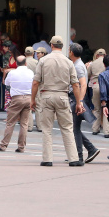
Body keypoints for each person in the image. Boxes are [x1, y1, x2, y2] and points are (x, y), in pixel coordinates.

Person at [30, 36, 82, 167]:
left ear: (51, 45)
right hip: (63, 96)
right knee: (67, 128)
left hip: (46, 96)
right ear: (63, 47)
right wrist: (79, 102)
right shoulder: (68, 62)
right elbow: (75, 85)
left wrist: (32, 100)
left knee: (47, 129)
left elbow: (36, 82)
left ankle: (47, 159)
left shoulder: (43, 61)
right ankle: (73, 158)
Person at [68, 43, 99, 163]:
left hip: (77, 98)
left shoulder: (78, 66)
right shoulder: (77, 64)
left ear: (71, 52)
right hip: (77, 98)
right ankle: (90, 149)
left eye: (69, 50)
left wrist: (79, 101)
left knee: (74, 128)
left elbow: (83, 84)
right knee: (74, 128)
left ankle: (79, 155)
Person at [0, 55, 33, 152]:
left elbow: (6, 84)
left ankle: (3, 145)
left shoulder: (12, 73)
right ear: (26, 63)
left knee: (10, 122)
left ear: (16, 63)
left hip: (16, 98)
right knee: (24, 124)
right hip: (28, 98)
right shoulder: (31, 73)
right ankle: (21, 147)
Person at [87, 48, 109, 138]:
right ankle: (107, 131)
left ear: (97, 55)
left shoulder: (93, 64)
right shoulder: (107, 62)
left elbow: (88, 75)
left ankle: (95, 129)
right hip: (106, 86)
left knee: (96, 109)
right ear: (105, 55)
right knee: (106, 108)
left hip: (96, 85)